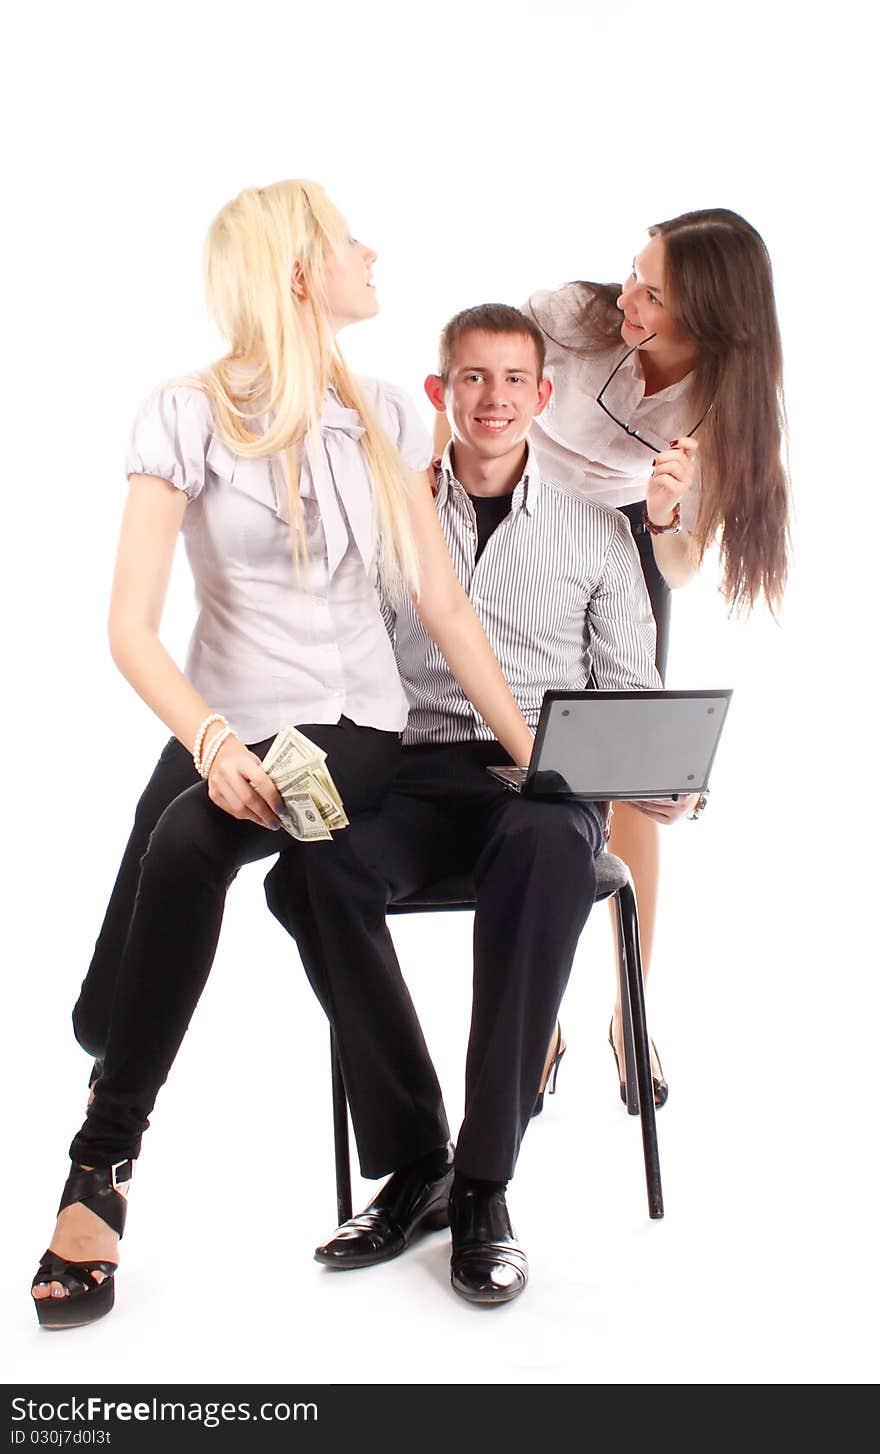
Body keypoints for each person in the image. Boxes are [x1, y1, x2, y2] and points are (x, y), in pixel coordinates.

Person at [30, 183, 535, 1330]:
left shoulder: (388, 421)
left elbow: (448, 613)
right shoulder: (183, 414)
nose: (373, 251)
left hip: (349, 722)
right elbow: (127, 626)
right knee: (115, 972)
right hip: (222, 715)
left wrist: (538, 757)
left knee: (195, 840)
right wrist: (205, 735)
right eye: (350, 240)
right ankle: (127, 1034)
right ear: (301, 274)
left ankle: (97, 1173)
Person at [264, 304, 695, 1305]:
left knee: (547, 850)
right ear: (438, 393)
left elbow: (628, 690)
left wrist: (651, 775)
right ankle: (421, 1158)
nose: (493, 398)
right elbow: (332, 670)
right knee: (308, 868)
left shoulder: (597, 533)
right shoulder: (386, 522)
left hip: (538, 785)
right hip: (411, 775)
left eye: (512, 380)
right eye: (471, 379)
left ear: (543, 399)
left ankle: (486, 1182)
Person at [434, 208, 791, 1106]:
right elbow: (485, 397)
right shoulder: (571, 317)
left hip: (621, 538)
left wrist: (667, 509)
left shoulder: (725, 408)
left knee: (624, 773)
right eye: (634, 273)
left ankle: (631, 1013)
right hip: (511, 511)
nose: (628, 297)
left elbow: (678, 563)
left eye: (655, 294)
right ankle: (535, 1012)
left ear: (709, 315)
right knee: (509, 759)